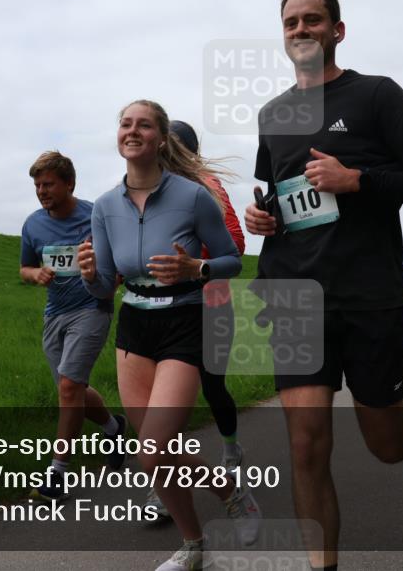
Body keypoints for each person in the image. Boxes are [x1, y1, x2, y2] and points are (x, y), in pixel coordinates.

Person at [244, 0, 403, 571]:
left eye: (313, 20)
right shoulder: (273, 115)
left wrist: (357, 179)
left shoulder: (379, 97)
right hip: (295, 297)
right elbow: (282, 195)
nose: (302, 30)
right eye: (291, 22)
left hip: (369, 295)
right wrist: (262, 217)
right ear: (283, 35)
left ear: (337, 31)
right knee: (306, 447)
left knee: (383, 444)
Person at [79, 100, 261, 571]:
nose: (132, 130)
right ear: (118, 136)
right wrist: (87, 275)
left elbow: (231, 260)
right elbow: (104, 285)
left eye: (144, 124)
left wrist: (194, 266)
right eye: (125, 123)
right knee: (159, 453)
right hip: (134, 325)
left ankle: (227, 493)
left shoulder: (194, 195)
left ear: (161, 139)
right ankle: (194, 544)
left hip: (186, 319)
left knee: (153, 450)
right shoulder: (103, 207)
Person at [142, 120, 247, 521]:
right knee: (166, 402)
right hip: (163, 309)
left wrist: (192, 263)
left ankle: (232, 449)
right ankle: (162, 489)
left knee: (214, 385)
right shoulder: (146, 193)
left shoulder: (208, 188)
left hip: (211, 301)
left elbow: (235, 244)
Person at [19, 151, 127, 501]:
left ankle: (57, 474)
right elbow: (25, 267)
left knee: (68, 387)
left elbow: (121, 261)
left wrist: (108, 281)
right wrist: (35, 273)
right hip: (55, 313)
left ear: (69, 183)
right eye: (37, 185)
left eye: (48, 184)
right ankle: (114, 429)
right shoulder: (33, 224)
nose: (41, 191)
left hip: (92, 308)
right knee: (73, 389)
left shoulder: (96, 216)